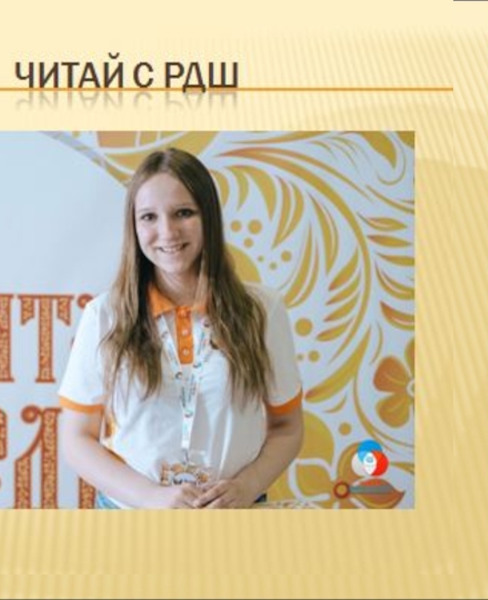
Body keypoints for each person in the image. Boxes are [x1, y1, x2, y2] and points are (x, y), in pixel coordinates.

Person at [58, 147, 304, 509]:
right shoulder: (104, 316)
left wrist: (247, 486)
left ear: (209, 218)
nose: (167, 232)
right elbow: (76, 439)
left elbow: (287, 427)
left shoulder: (262, 311)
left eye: (183, 213)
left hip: (235, 515)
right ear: (134, 226)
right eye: (149, 217)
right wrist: (151, 497)